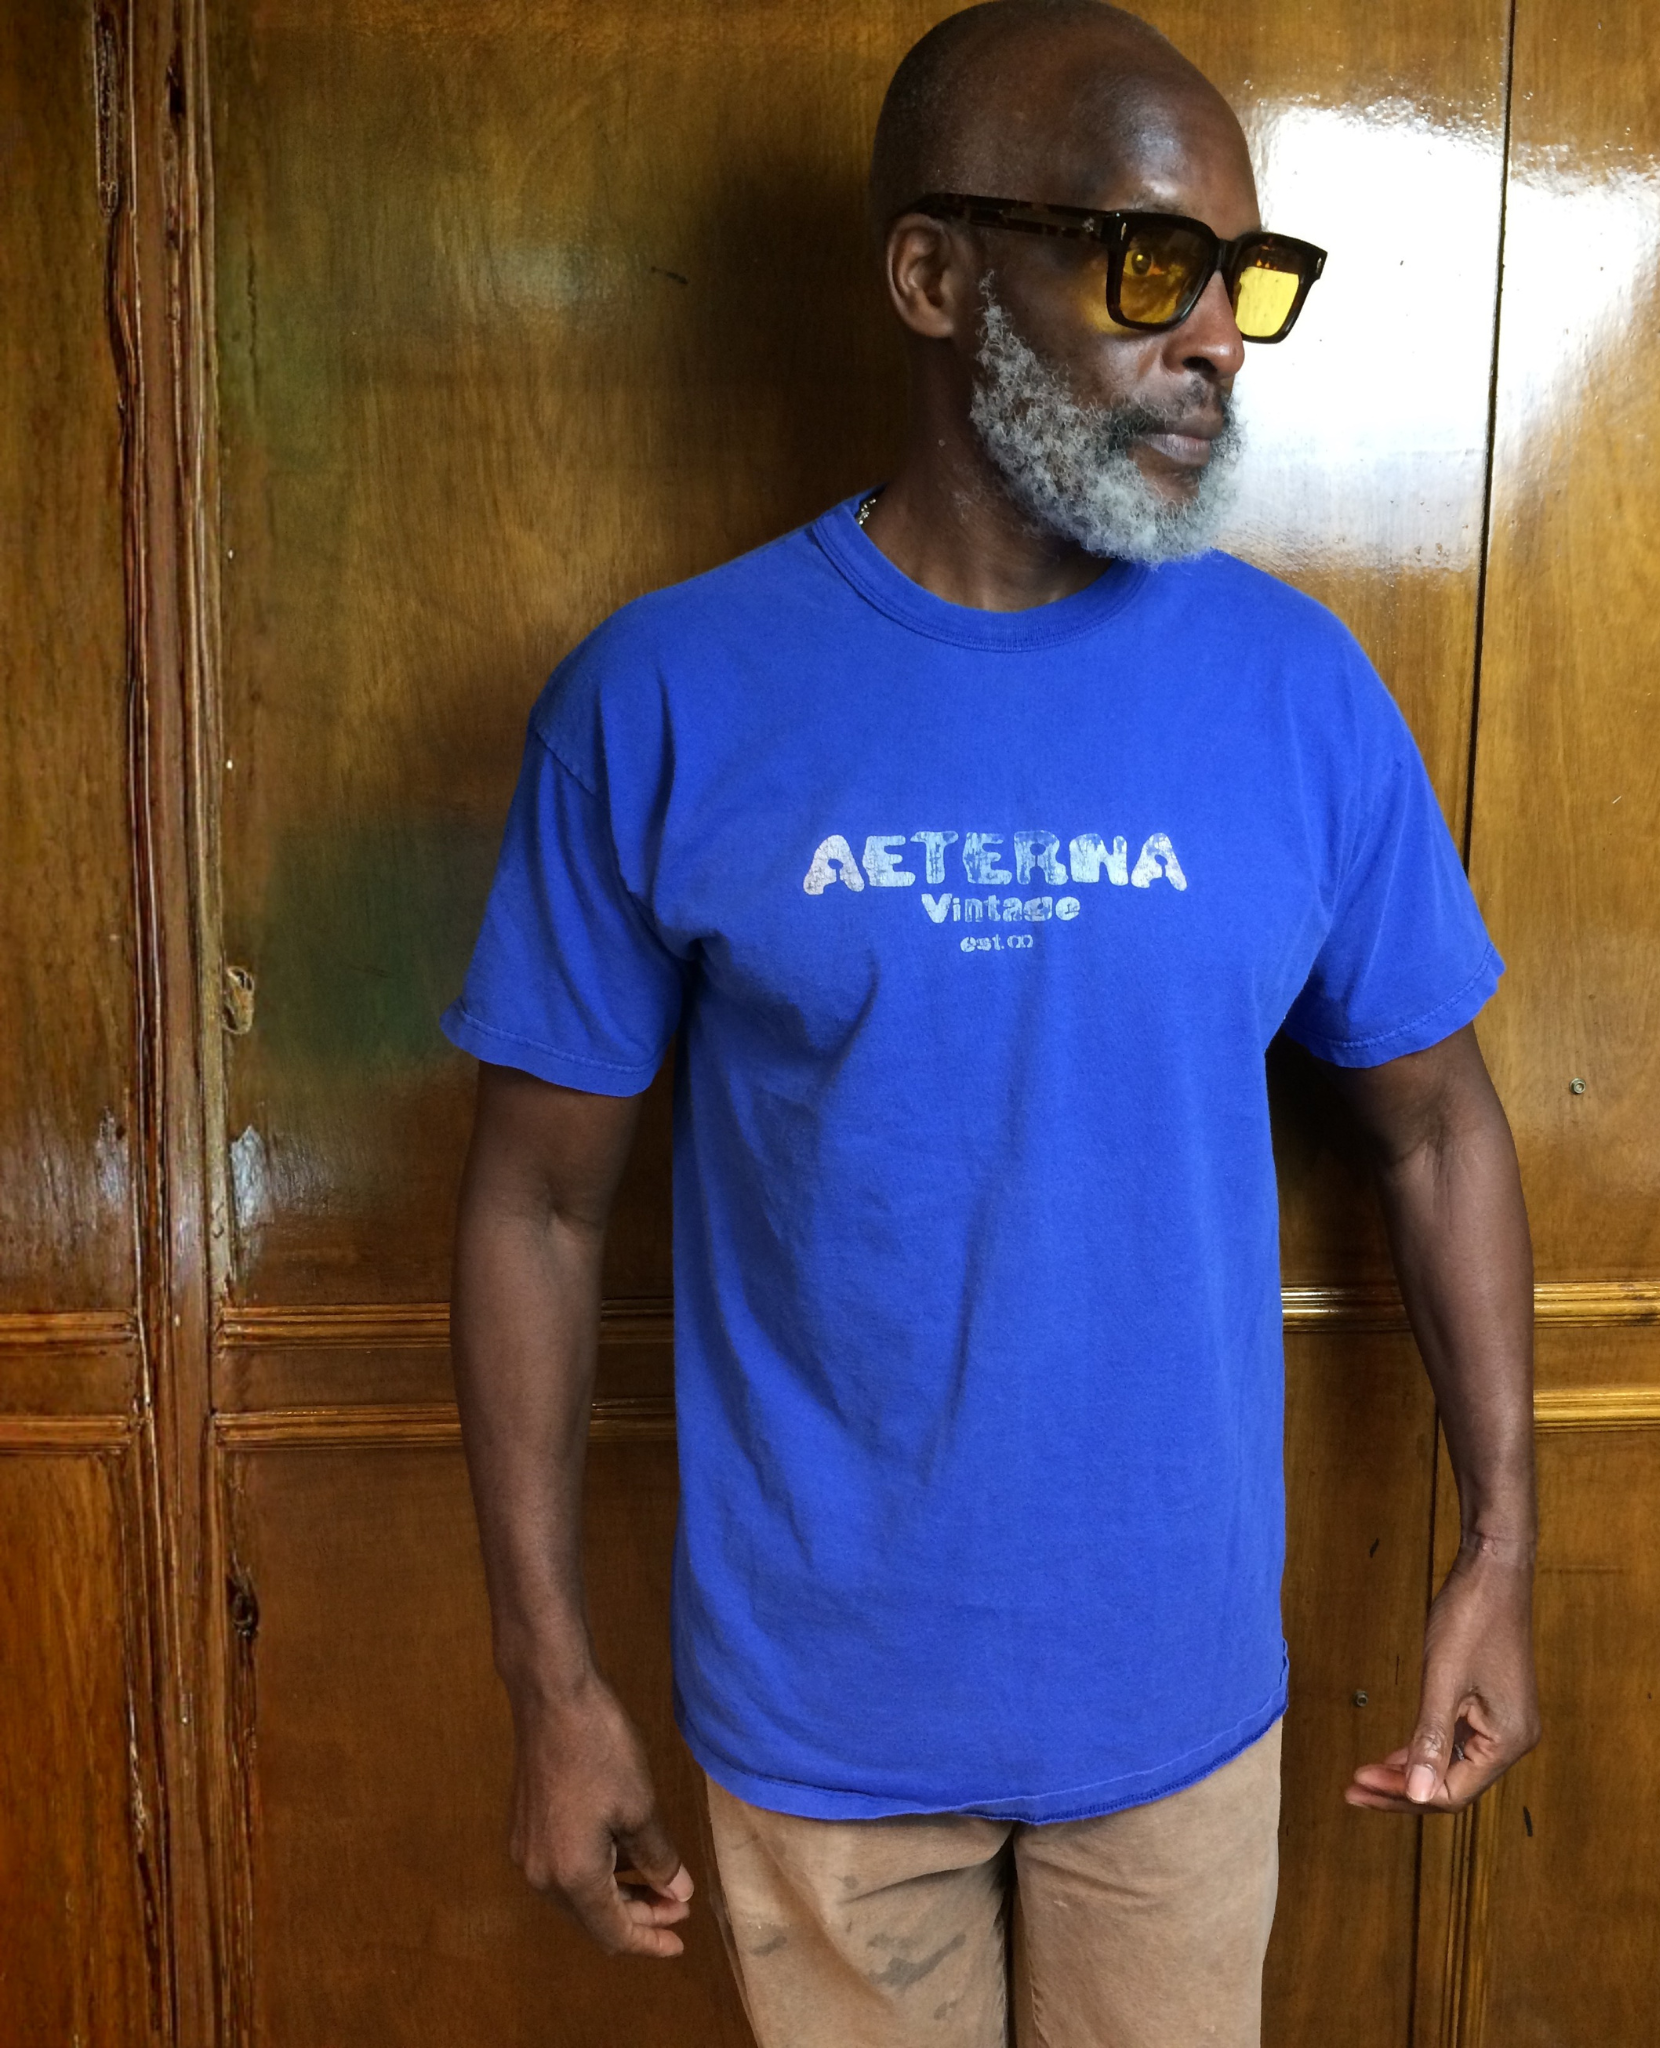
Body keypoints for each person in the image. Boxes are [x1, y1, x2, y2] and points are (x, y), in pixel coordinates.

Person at [442, 3, 1539, 2042]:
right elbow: (533, 1205)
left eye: (1244, 278)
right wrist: (549, 1680)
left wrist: (1500, 1547)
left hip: (1176, 1712)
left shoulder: (1298, 694)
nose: (1216, 338)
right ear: (937, 275)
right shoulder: (665, 699)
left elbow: (1441, 1126)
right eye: (1151, 262)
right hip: (816, 1730)